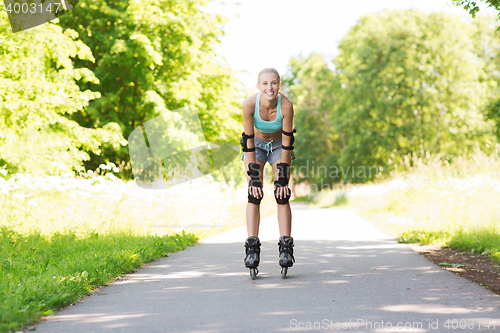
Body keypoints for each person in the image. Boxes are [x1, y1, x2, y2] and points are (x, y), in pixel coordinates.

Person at [240, 68, 296, 278]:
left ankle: (286, 247)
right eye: (265, 83)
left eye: (273, 83)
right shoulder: (249, 104)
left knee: (282, 194)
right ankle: (252, 248)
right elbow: (248, 142)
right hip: (255, 145)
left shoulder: (287, 105)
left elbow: (288, 141)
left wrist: (283, 177)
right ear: (258, 86)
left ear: (279, 85)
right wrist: (254, 177)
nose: (269, 88)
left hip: (280, 146)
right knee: (254, 193)